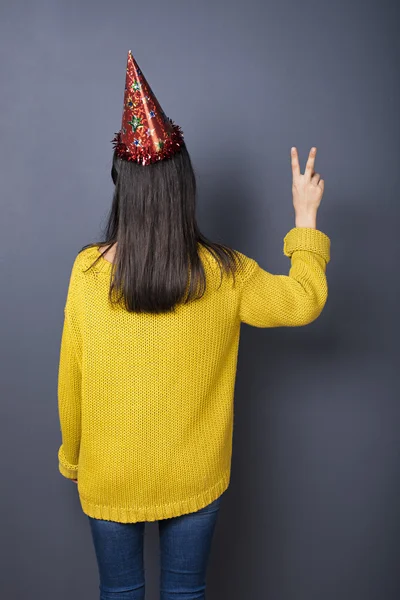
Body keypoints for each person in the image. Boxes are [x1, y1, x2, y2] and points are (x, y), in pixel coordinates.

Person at [57, 50, 331, 600]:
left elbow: (72, 379)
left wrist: (72, 457)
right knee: (186, 594)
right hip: (195, 474)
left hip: (109, 473)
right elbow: (303, 301)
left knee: (119, 594)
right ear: (184, 186)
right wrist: (305, 221)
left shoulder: (87, 275)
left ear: (122, 186)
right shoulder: (227, 273)